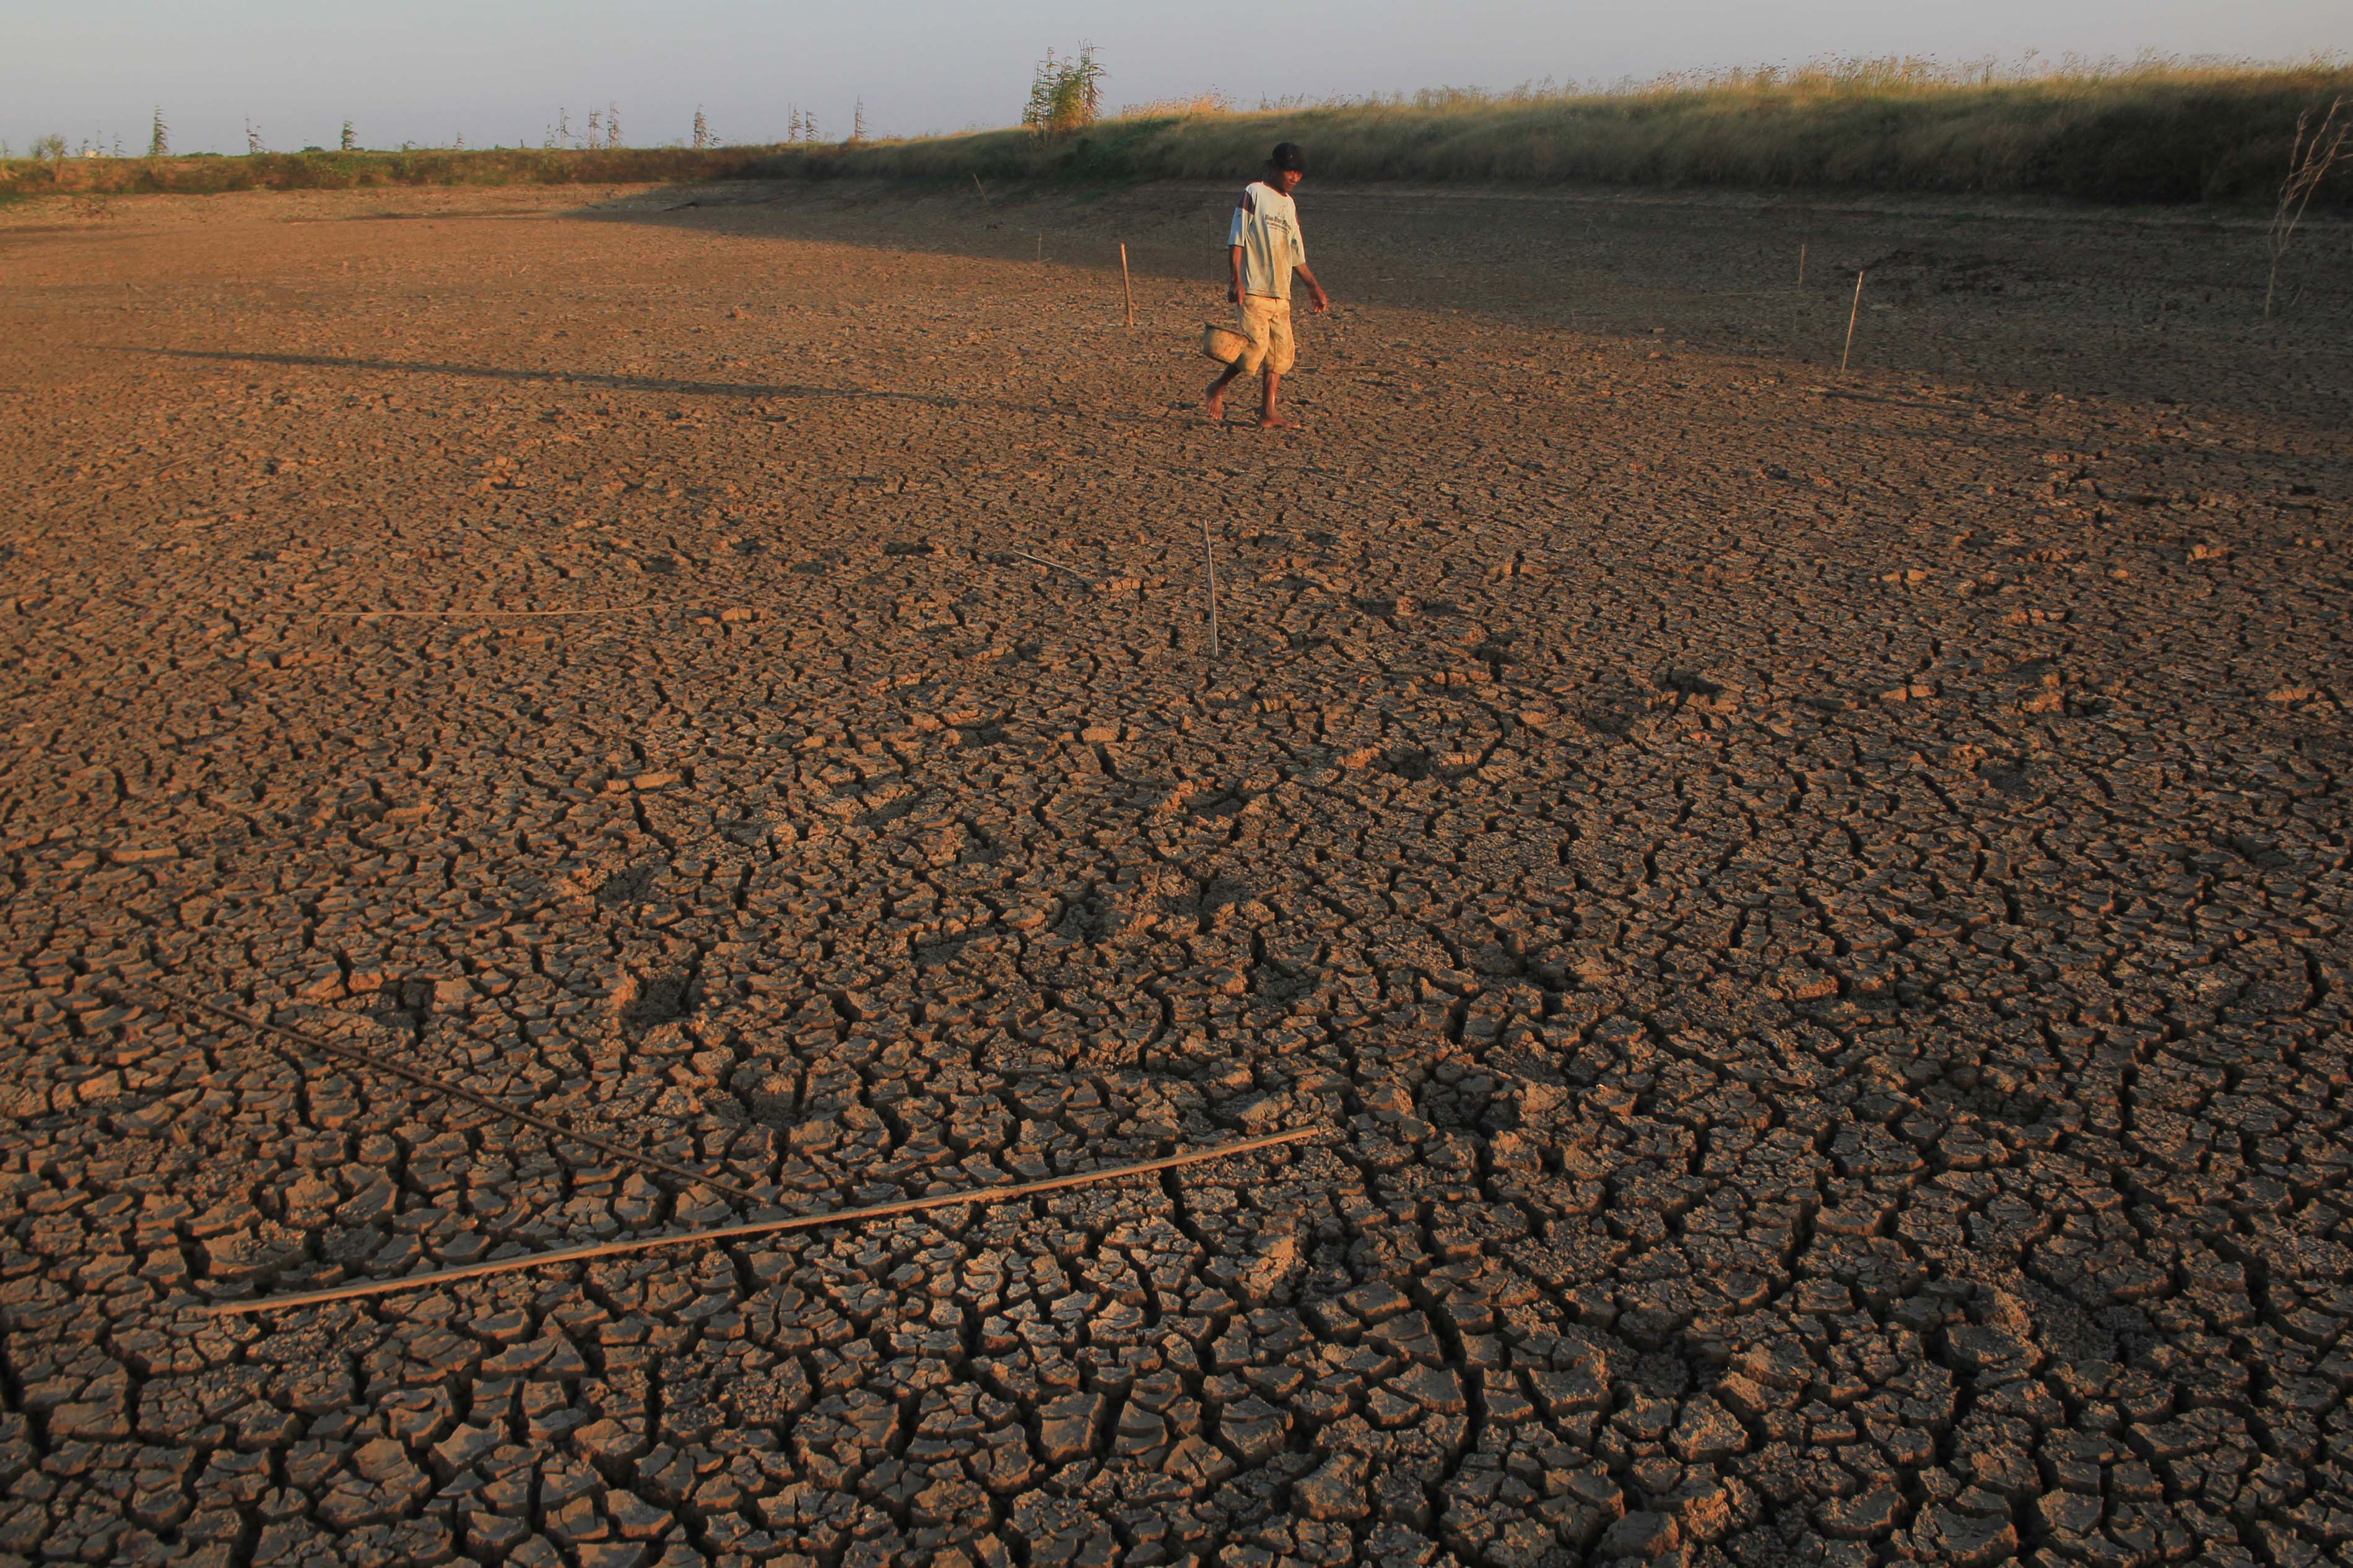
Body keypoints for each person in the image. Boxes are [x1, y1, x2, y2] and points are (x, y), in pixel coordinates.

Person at [1206, 142, 1331, 429]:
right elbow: (1236, 238)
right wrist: (1236, 280)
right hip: (1254, 289)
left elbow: (1296, 254)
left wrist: (1314, 286)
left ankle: (1268, 412)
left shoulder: (1289, 205)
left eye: (1299, 173)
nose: (1295, 178)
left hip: (1281, 293)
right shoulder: (1254, 193)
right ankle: (1218, 386)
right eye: (1290, 171)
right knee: (1255, 350)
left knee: (1281, 355)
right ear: (1275, 168)